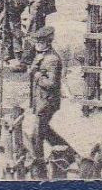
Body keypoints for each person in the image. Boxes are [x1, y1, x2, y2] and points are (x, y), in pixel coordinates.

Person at [27, 26, 72, 176]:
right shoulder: (41, 55)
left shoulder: (52, 59)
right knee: (45, 132)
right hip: (41, 101)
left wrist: (38, 75)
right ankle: (71, 155)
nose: (37, 44)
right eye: (37, 41)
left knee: (36, 136)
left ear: (48, 42)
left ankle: (39, 168)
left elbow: (51, 84)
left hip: (47, 102)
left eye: (41, 42)